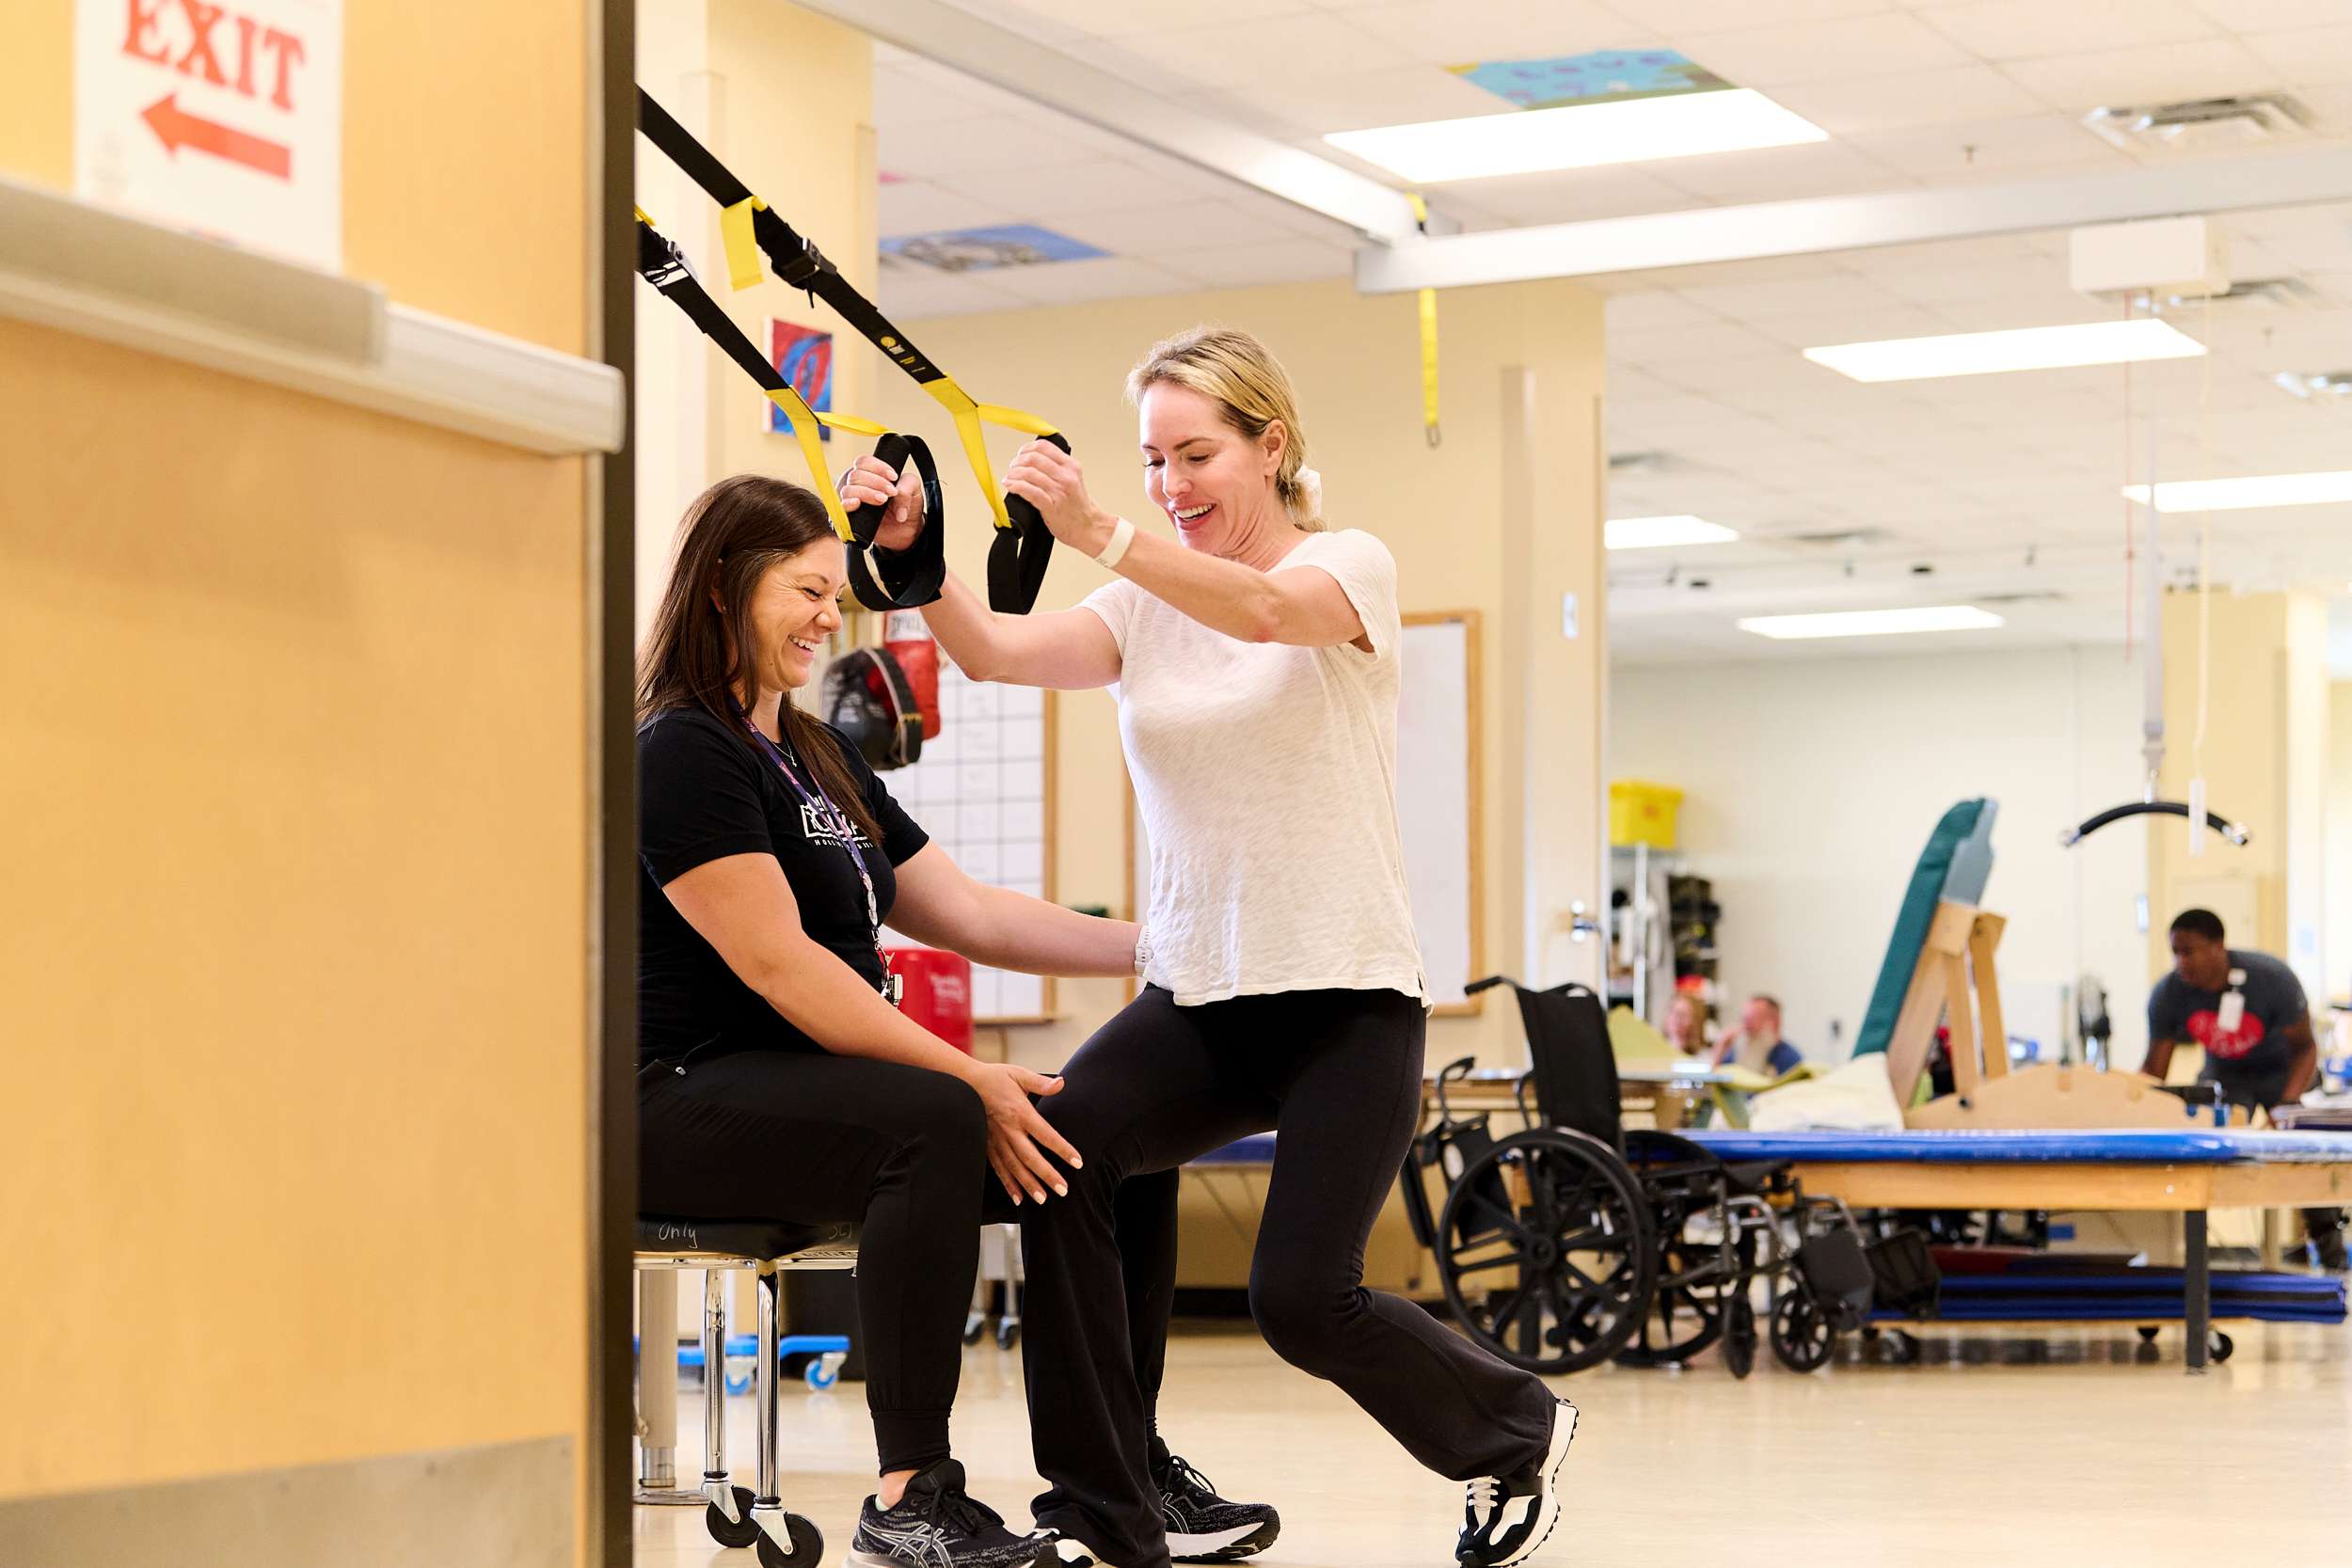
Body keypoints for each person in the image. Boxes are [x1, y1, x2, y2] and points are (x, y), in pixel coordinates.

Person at [843, 325, 1573, 1568]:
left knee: (1303, 1299)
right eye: (1152, 458)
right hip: (1200, 995)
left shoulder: (1349, 564)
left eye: (1197, 453)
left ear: (1271, 443)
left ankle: (1518, 1426)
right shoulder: (1142, 600)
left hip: (1344, 995)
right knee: (1052, 1160)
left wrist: (1100, 531)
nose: (1173, 484)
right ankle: (1107, 1504)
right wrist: (918, 556)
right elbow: (995, 651)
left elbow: (1273, 611)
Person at [635, 473, 1147, 1568]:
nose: (830, 617)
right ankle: (912, 1493)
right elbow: (783, 967)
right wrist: (971, 1077)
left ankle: (1119, 1476)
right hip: (679, 1095)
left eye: (837, 594)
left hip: (805, 1092)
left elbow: (968, 911)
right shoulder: (680, 749)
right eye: (806, 589)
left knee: (1094, 1134)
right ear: (726, 587)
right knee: (935, 1117)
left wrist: (1167, 947)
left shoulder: (818, 752)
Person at [2146, 908, 2345, 1270]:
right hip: (2226, 1075)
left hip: (2283, 1070)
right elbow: (2154, 1070)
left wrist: (2287, 1104)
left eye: (2189, 951)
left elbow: (2305, 1048)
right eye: (2175, 952)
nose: (2181, 962)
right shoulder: (2169, 993)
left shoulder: (2272, 979)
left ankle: (2331, 1251)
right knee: (2203, 1143)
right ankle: (2193, 1248)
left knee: (2306, 1152)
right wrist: (2136, 1104)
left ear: (2218, 947)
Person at [1709, 993, 1803, 1076]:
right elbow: (1713, 1082)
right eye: (1743, 1020)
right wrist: (1720, 1048)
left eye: (1752, 1020)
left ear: (1774, 1023)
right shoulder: (1735, 1054)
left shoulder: (1791, 1060)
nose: (1745, 1027)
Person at [1661, 991, 1708, 1057]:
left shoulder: (1704, 1058)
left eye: (1683, 1015)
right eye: (1674, 1013)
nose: (1677, 1020)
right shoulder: (1654, 1054)